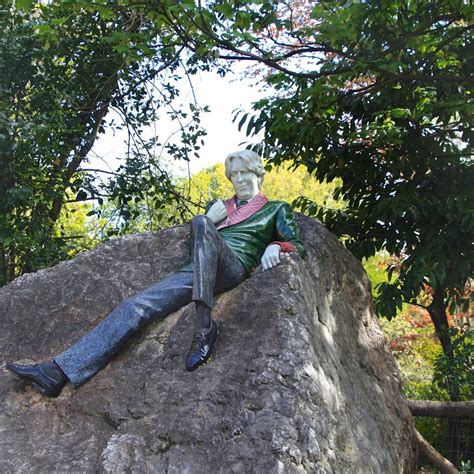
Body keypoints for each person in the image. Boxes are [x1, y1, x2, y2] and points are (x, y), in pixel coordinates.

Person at [6, 150, 306, 397]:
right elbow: (196, 242)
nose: (239, 180)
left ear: (259, 175)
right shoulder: (217, 207)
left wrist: (277, 246)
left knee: (201, 222)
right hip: (195, 271)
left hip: (233, 266)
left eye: (246, 174)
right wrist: (208, 220)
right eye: (235, 175)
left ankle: (203, 328)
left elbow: (300, 244)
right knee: (133, 306)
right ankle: (56, 372)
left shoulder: (275, 208)